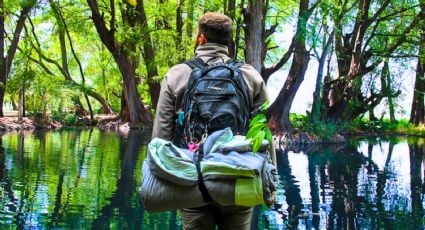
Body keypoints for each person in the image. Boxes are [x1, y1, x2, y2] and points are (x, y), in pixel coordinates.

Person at [151, 12, 269, 230]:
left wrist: (159, 185)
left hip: (191, 179)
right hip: (239, 179)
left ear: (201, 38)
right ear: (228, 40)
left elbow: (160, 140)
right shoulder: (251, 76)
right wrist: (269, 184)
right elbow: (263, 134)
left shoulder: (177, 74)